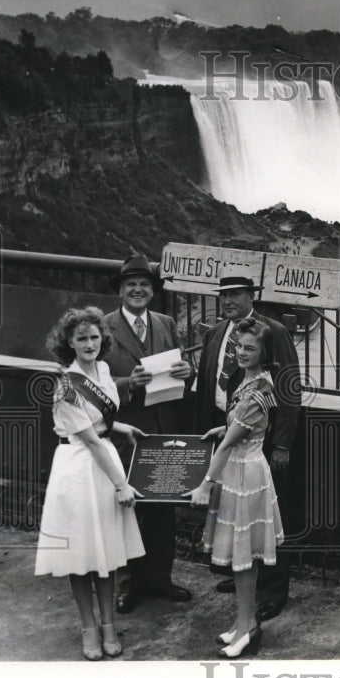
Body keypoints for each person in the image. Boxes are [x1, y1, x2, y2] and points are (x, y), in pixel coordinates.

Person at [34, 307, 146, 660]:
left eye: (94, 337)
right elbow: (89, 439)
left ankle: (109, 625)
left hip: (103, 459)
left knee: (107, 551)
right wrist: (120, 485)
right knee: (81, 553)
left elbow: (100, 424)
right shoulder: (67, 385)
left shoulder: (104, 370)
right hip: (79, 467)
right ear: (68, 342)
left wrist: (121, 427)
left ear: (103, 339)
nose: (89, 343)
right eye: (81, 338)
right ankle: (88, 627)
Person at [195, 276, 302, 624]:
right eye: (224, 295)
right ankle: (243, 574)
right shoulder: (215, 334)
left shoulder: (272, 332)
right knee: (237, 513)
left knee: (265, 515)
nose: (228, 301)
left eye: (236, 294)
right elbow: (210, 381)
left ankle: (272, 590)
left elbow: (289, 389)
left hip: (261, 438)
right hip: (226, 429)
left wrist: (283, 443)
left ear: (251, 296)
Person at [186, 318, 284, 658]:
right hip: (242, 467)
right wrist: (223, 429)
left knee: (243, 558)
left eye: (249, 348)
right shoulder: (251, 382)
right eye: (238, 346)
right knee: (243, 559)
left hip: (245, 475)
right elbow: (238, 432)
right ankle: (244, 623)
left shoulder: (257, 392)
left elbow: (229, 446)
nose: (241, 352)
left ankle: (248, 628)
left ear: (264, 353)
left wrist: (204, 485)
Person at [102, 254, 194, 614]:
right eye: (131, 285)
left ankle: (160, 579)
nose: (138, 290)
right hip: (126, 431)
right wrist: (128, 383)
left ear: (152, 292)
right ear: (121, 292)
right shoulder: (104, 326)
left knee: (162, 510)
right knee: (126, 508)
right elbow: (89, 380)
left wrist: (190, 372)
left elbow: (179, 369)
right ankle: (127, 584)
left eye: (144, 285)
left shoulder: (166, 323)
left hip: (164, 431)